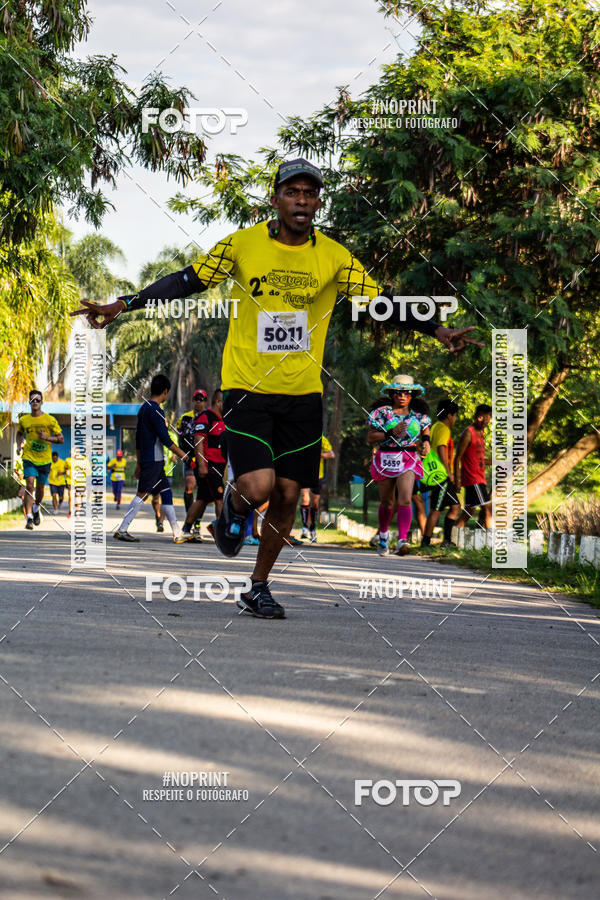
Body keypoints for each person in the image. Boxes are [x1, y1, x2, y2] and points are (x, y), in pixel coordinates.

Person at [73, 157, 481, 619]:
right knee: (258, 485)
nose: (301, 200)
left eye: (309, 193)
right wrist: (126, 302)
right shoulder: (242, 245)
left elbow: (379, 302)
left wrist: (437, 330)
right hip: (248, 387)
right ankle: (233, 505)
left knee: (287, 494)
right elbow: (187, 280)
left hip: (303, 395)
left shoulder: (334, 257)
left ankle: (259, 585)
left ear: (318, 203)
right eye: (292, 192)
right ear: (276, 199)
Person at [113, 374, 187, 542]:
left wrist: (139, 462)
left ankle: (177, 532)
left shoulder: (143, 408)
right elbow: (165, 439)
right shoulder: (157, 411)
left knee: (166, 492)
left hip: (151, 460)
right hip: (154, 460)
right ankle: (122, 529)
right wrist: (184, 455)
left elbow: (138, 438)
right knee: (142, 494)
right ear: (165, 391)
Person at [367, 374, 431, 557]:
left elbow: (425, 430)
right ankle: (383, 536)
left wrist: (426, 442)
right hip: (386, 458)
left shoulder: (418, 415)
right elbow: (371, 437)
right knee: (387, 502)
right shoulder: (381, 413)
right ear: (392, 394)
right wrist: (390, 433)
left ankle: (402, 540)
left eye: (407, 393)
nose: (402, 396)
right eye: (398, 392)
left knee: (405, 499)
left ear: (412, 395)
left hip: (408, 458)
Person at [176, 389, 227, 541]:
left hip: (219, 466)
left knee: (202, 499)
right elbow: (198, 441)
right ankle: (221, 533)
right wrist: (202, 465)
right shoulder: (205, 418)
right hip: (209, 466)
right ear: (218, 402)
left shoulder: (223, 419)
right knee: (219, 499)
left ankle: (186, 530)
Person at [16, 390, 64, 530]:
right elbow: (19, 433)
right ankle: (29, 518)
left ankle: (36, 507)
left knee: (40, 489)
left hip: (44, 460)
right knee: (30, 485)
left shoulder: (50, 420)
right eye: (32, 400)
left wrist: (47, 438)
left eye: (38, 400)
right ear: (29, 402)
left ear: (41, 402)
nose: (35, 402)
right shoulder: (24, 420)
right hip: (29, 457)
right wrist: (19, 445)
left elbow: (61, 439)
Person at [421, 399, 460, 548]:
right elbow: (441, 448)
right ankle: (432, 541)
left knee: (453, 506)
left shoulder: (436, 426)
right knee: (437, 509)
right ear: (449, 415)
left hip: (436, 473)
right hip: (442, 474)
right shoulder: (444, 428)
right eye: (455, 416)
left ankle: (443, 540)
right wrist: (449, 472)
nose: (455, 419)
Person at [454, 404, 493, 530]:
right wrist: (457, 481)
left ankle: (452, 537)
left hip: (479, 478)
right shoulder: (468, 433)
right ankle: (492, 540)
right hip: (473, 479)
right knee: (488, 509)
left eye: (486, 418)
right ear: (475, 416)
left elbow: (479, 459)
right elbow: (457, 458)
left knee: (468, 511)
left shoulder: (481, 434)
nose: (482, 421)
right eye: (480, 417)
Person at [175, 390, 208, 521]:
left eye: (201, 399)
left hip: (205, 459)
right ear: (193, 401)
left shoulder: (208, 417)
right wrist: (184, 455)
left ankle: (197, 521)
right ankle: (190, 516)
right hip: (190, 458)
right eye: (196, 399)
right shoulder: (185, 418)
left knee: (203, 491)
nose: (198, 402)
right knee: (189, 486)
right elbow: (180, 437)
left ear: (205, 402)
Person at [300, 436, 335, 542]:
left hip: (318, 475)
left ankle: (313, 528)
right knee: (305, 498)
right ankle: (305, 527)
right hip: (304, 473)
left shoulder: (321, 439)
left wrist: (318, 455)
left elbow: (331, 454)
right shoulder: (302, 436)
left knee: (315, 503)